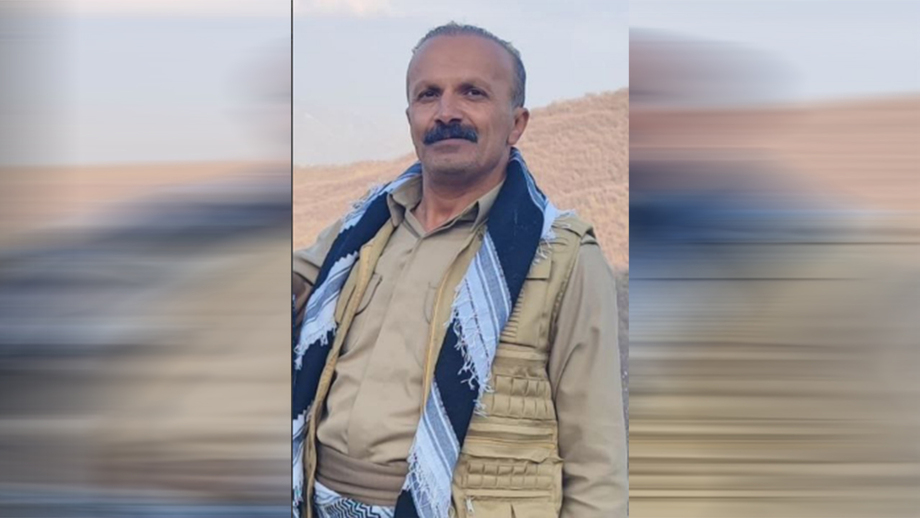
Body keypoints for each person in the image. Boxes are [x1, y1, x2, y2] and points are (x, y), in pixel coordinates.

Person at [293, 22, 626, 518]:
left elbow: (597, 463)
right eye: (428, 94)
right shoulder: (361, 231)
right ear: (410, 117)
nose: (446, 112)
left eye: (473, 92)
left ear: (516, 123)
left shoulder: (565, 257)